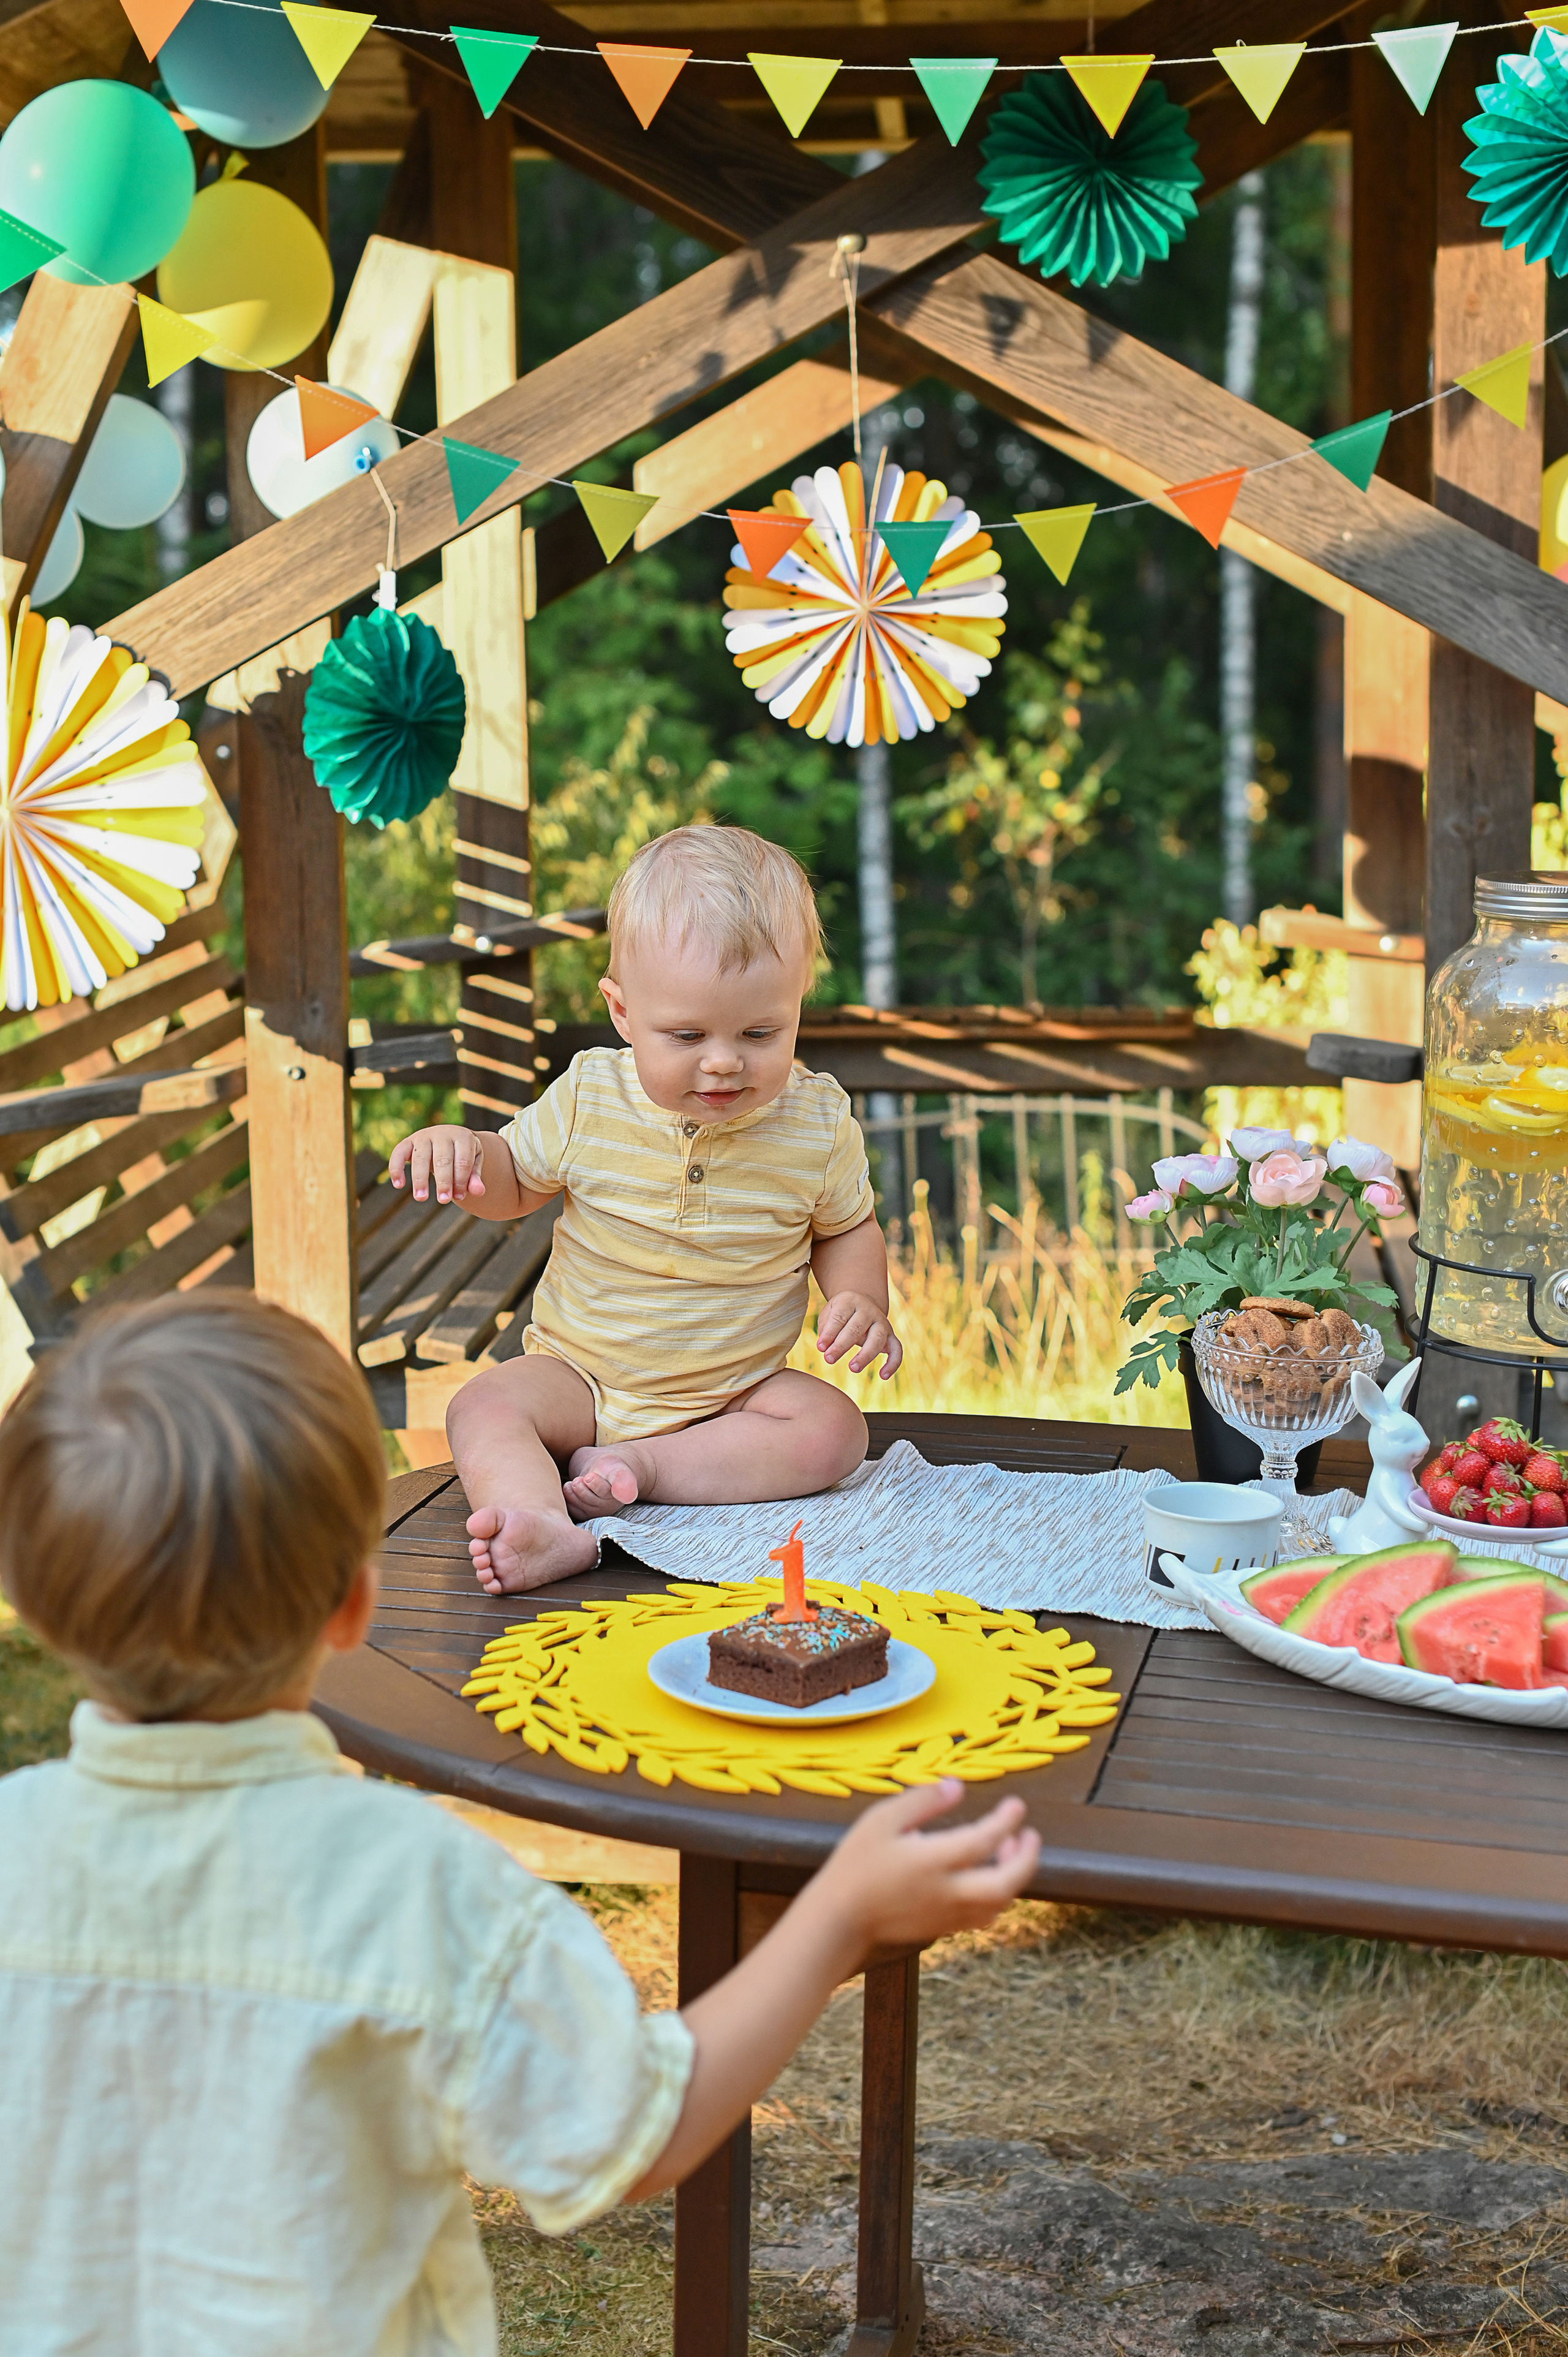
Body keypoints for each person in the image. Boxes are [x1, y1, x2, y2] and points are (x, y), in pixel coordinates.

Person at [0, 1294, 1041, 2357]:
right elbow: (635, 2135)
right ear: (355, 1604)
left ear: (32, 1608)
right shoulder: (416, 1883)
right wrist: (838, 1920)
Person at [390, 825, 904, 1597]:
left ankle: (644, 1468)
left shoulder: (815, 1122)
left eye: (761, 1032)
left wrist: (861, 1298)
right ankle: (540, 1525)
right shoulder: (589, 1096)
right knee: (485, 1403)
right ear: (624, 1012)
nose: (725, 1060)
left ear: (798, 1000)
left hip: (736, 1395)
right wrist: (466, 1156)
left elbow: (846, 1228)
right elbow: (516, 1181)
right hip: (583, 1377)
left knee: (835, 1432)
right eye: (687, 1034)